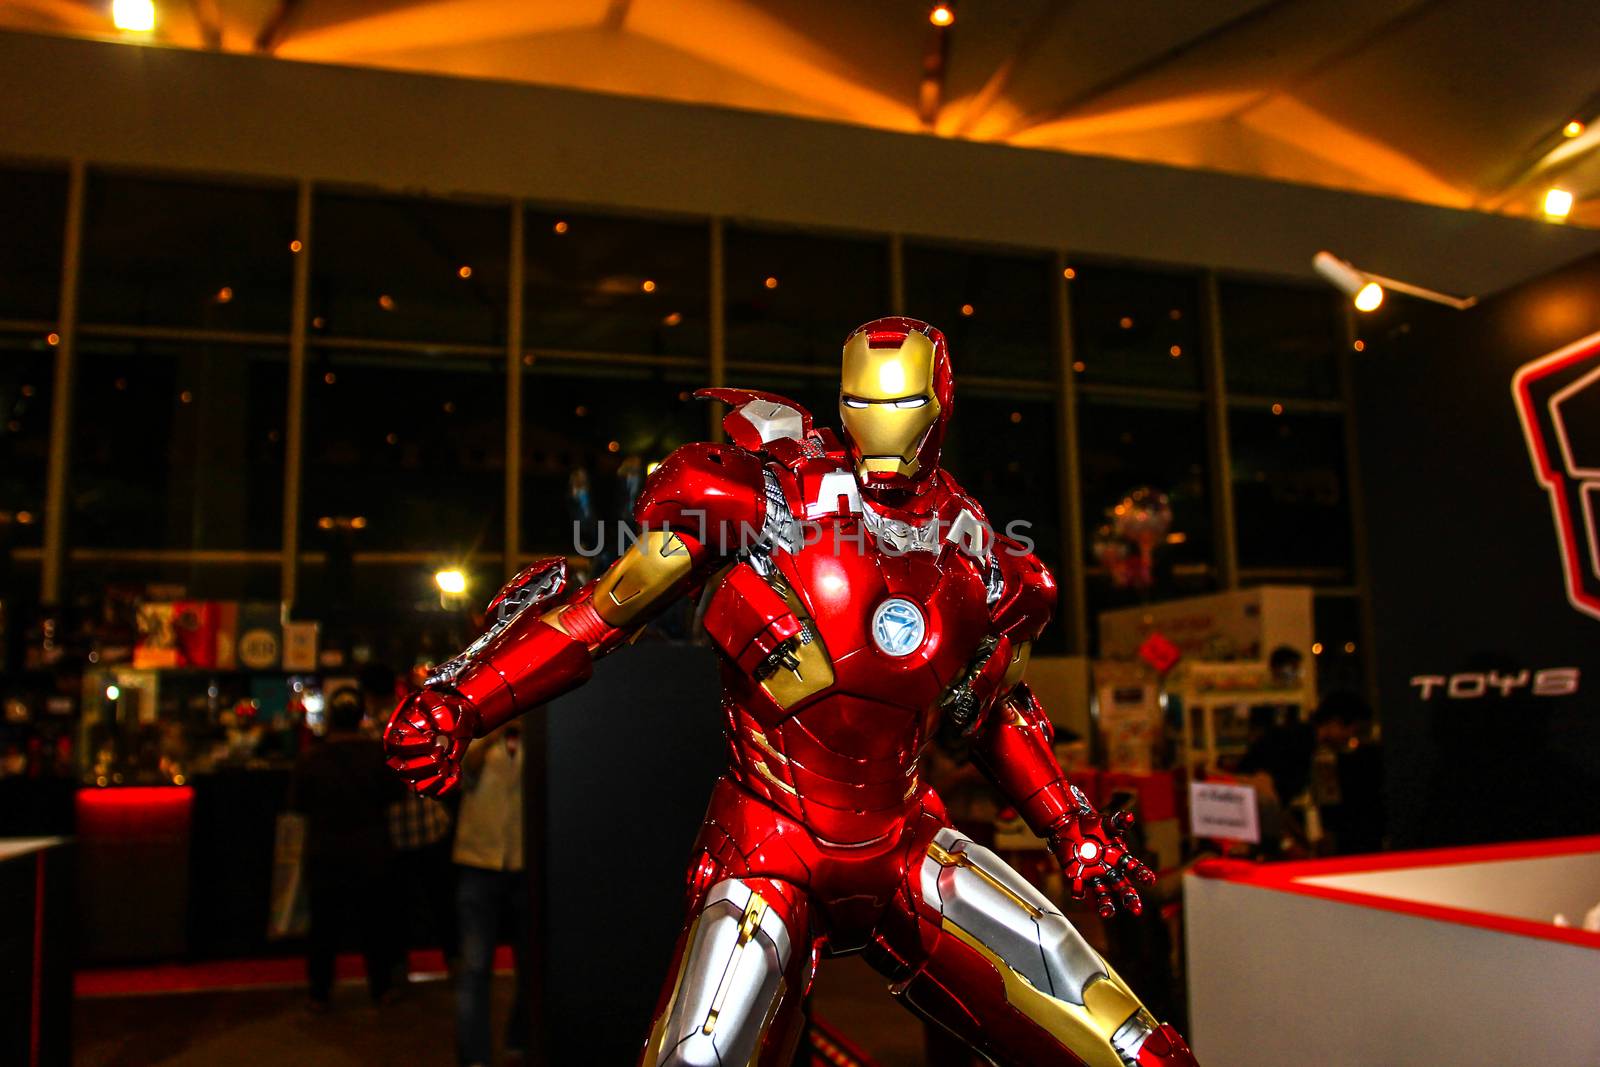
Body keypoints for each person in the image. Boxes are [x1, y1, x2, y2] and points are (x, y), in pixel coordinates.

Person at [387, 317, 1199, 1066]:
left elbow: (993, 707)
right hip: (770, 842)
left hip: (904, 842)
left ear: (940, 405)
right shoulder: (763, 497)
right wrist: (465, 699)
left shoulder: (980, 551)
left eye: (906, 401)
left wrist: (1072, 828)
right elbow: (602, 613)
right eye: (864, 402)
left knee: (1133, 1048)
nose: (885, 425)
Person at [290, 686, 401, 1010]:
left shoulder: (311, 758)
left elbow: (297, 806)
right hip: (372, 850)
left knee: (324, 927)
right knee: (375, 924)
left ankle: (319, 993)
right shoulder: (377, 756)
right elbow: (394, 798)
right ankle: (381, 988)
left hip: (325, 851)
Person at [365, 663, 457, 977]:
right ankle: (455, 960)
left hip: (394, 832)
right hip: (431, 824)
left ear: (367, 695)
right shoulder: (414, 714)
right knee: (442, 901)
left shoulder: (370, 732)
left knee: (394, 908)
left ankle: (398, 967)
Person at [451, 720, 530, 1067]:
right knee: (474, 966)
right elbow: (460, 774)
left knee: (530, 963)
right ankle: (474, 1057)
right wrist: (494, 731)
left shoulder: (538, 734)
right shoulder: (477, 730)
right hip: (478, 862)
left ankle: (521, 1039)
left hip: (525, 864)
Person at [1311, 691, 1386, 854]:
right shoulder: (1321, 755)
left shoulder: (1325, 754)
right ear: (1335, 722)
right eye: (1354, 731)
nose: (1351, 738)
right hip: (1349, 841)